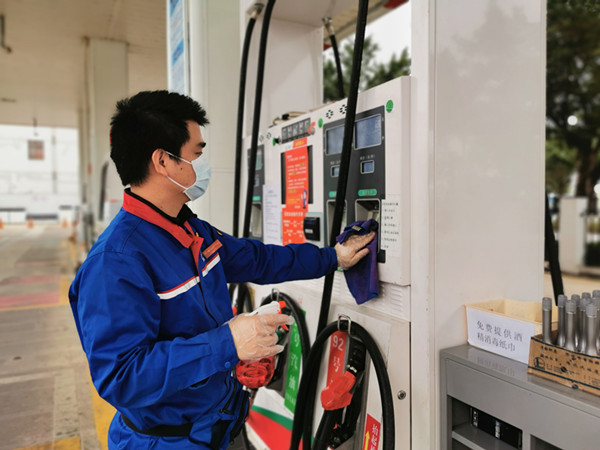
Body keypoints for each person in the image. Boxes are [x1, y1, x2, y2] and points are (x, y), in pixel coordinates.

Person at [68, 90, 374, 449]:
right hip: (167, 442)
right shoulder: (115, 261)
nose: (203, 165)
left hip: (221, 427)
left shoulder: (190, 230)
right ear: (163, 161)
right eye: (196, 153)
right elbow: (121, 377)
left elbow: (258, 260)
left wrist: (332, 257)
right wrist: (228, 343)